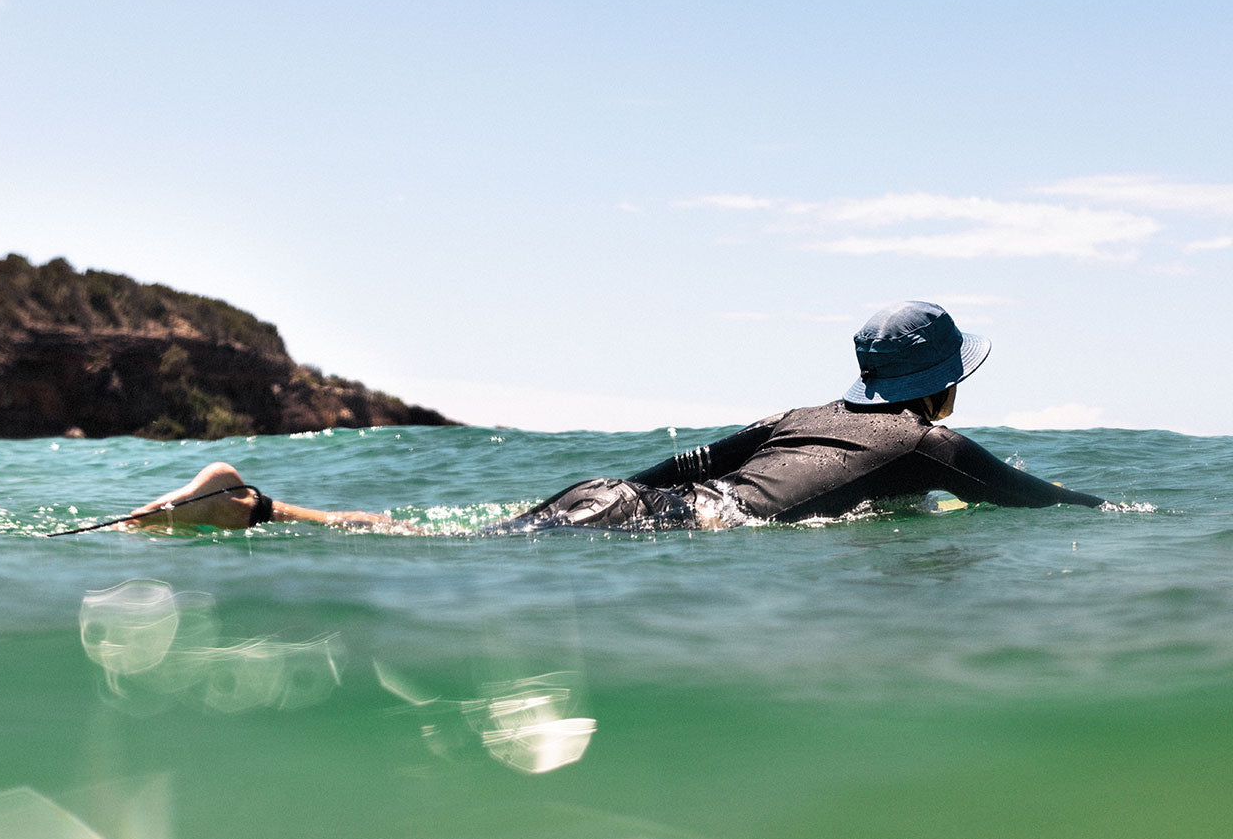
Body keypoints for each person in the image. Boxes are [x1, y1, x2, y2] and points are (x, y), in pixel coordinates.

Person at [123, 301, 1104, 533]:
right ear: (945, 385)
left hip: (625, 498)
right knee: (443, 551)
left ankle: (257, 509)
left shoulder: (802, 413)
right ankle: (247, 509)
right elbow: (1044, 502)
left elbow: (682, 462)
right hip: (681, 530)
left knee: (443, 542)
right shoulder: (931, 443)